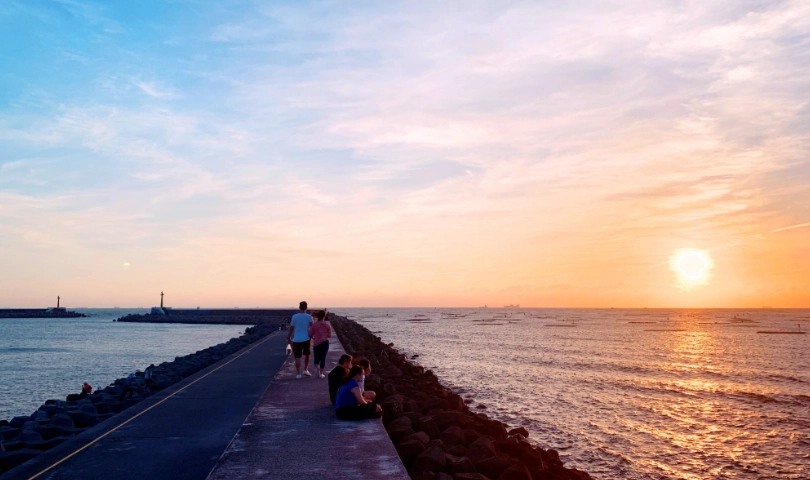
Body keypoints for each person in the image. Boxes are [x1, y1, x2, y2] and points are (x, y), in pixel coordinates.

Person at [288, 301, 313, 379]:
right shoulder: (309, 317)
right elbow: (312, 327)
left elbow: (291, 328)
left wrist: (289, 337)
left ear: (299, 307)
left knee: (297, 357)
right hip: (306, 339)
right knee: (307, 355)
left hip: (296, 340)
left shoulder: (294, 316)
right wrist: (312, 336)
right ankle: (305, 370)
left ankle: (298, 373)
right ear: (306, 308)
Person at [308, 310, 333, 378]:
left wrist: (314, 337)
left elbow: (310, 334)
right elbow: (330, 335)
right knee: (323, 358)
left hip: (316, 343)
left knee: (316, 358)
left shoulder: (314, 325)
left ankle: (317, 366)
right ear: (324, 316)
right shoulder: (327, 324)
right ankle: (321, 373)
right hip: (324, 343)